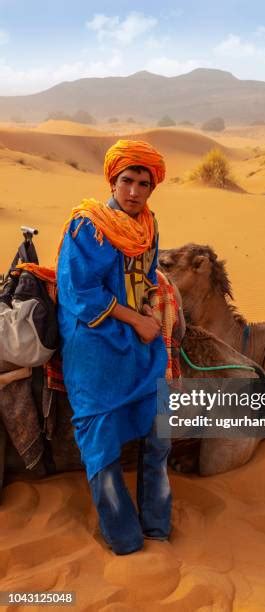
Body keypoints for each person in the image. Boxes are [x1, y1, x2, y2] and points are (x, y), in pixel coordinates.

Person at [57, 139, 171, 555]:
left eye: (144, 183)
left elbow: (149, 274)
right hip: (94, 340)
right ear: (113, 179)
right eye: (128, 181)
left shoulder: (149, 226)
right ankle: (124, 539)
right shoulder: (87, 226)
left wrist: (154, 305)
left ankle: (158, 526)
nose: (135, 191)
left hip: (140, 338)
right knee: (101, 442)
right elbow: (79, 292)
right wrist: (137, 319)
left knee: (160, 431)